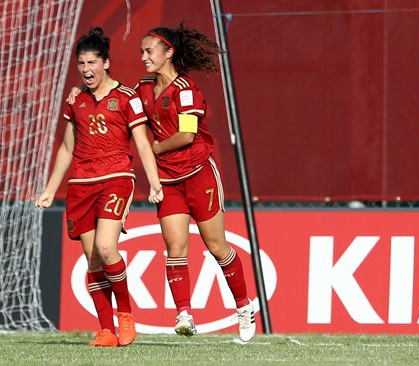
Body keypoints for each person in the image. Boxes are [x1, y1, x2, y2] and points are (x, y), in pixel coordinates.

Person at [36, 27, 164, 347]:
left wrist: (154, 182)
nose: (86, 69)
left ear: (106, 63)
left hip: (116, 178)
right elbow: (67, 148)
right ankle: (106, 330)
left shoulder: (126, 98)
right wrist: (51, 188)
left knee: (107, 249)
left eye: (92, 62)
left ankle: (126, 314)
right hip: (81, 183)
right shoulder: (76, 99)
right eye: (81, 63)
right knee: (93, 260)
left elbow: (143, 144)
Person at [138, 24, 256, 342]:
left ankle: (244, 307)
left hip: (198, 175)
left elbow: (186, 135)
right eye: (142, 51)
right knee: (175, 248)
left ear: (168, 52)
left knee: (217, 247)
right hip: (168, 181)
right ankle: (184, 315)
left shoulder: (186, 90)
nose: (144, 57)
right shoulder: (143, 88)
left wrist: (153, 149)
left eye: (149, 51)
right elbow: (126, 115)